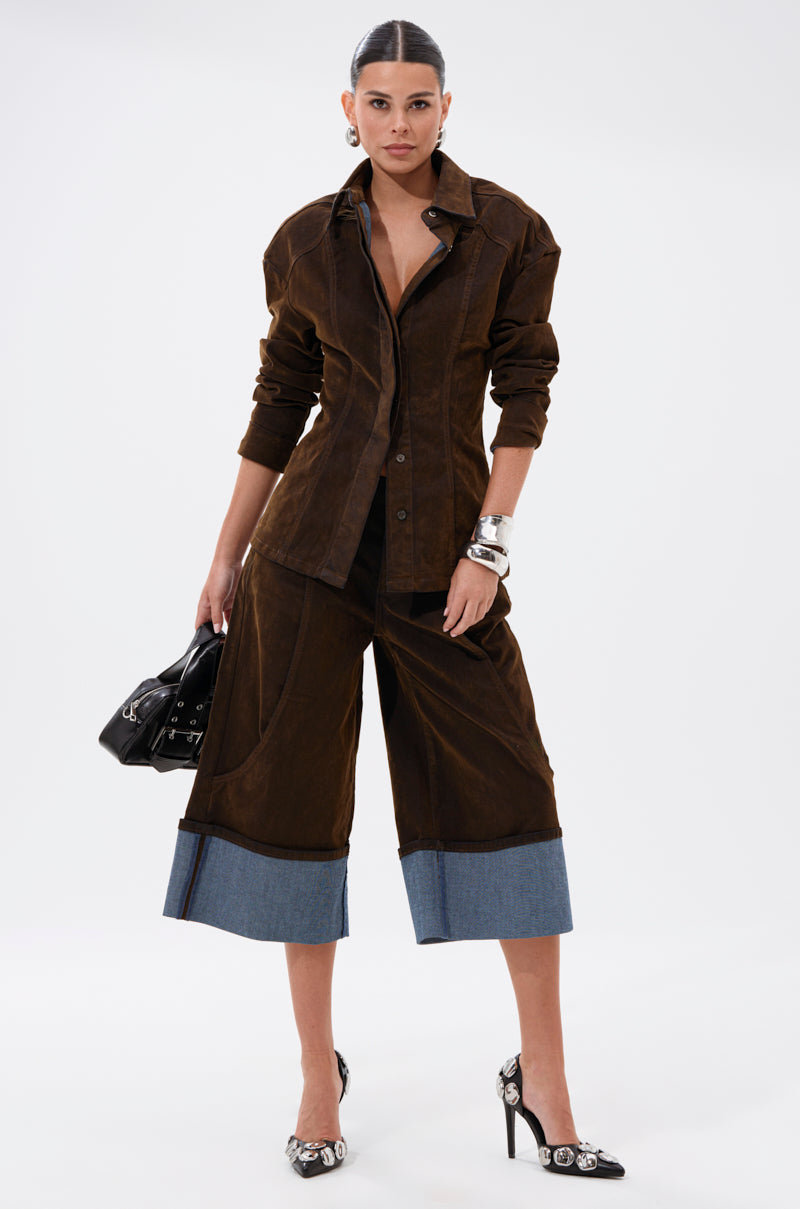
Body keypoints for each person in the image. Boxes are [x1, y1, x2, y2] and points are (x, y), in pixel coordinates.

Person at [162, 19, 626, 1182]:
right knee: (296, 808)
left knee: (510, 788)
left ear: (446, 107)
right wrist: (226, 550)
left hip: (444, 569)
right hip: (306, 557)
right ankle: (319, 1077)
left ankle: (546, 1077)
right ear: (347, 108)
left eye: (420, 102)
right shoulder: (302, 243)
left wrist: (490, 550)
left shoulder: (510, 233)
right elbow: (279, 400)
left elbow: (524, 394)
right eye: (380, 102)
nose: (400, 122)